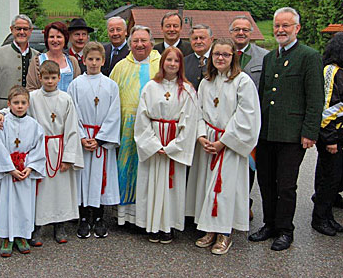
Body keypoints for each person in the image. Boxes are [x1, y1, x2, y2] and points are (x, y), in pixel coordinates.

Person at [249, 7, 324, 251]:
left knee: (286, 185)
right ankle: (269, 224)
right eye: (277, 26)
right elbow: (262, 97)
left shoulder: (309, 56)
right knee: (266, 181)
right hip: (267, 132)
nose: (281, 30)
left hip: (292, 135)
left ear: (297, 28)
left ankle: (285, 230)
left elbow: (315, 98)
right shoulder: (270, 58)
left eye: (286, 26)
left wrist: (310, 132)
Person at [0, 60, 84, 245]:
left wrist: (68, 157)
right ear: (40, 78)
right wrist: (1, 113)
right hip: (38, 148)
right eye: (46, 77)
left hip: (59, 147)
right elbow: (17, 107)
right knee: (40, 191)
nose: (49, 81)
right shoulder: (33, 97)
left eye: (53, 78)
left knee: (61, 190)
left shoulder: (66, 98)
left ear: (59, 78)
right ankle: (38, 226)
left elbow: (72, 128)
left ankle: (60, 225)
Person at [186, 38, 260, 255]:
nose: (220, 58)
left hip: (228, 143)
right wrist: (201, 136)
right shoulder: (207, 81)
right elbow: (197, 111)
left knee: (225, 189)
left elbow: (247, 116)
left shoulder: (242, 81)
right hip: (208, 142)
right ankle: (209, 229)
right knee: (206, 186)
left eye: (225, 54)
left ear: (233, 57)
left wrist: (223, 142)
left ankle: (224, 234)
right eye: (217, 54)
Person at [134, 47, 199, 244]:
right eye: (168, 60)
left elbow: (191, 122)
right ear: (162, 62)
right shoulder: (151, 87)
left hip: (174, 143)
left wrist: (172, 146)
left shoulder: (188, 90)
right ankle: (152, 225)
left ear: (181, 65)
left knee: (172, 186)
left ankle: (168, 226)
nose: (172, 64)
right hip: (154, 143)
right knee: (151, 184)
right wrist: (154, 144)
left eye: (176, 61)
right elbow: (142, 117)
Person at [0, 85, 46, 257]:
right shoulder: (2, 123)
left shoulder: (34, 125)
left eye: (23, 103)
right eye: (16, 102)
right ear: (9, 104)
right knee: (7, 204)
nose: (19, 106)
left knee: (24, 205)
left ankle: (21, 236)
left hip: (25, 171)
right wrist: (10, 169)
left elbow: (38, 147)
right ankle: (6, 237)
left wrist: (30, 167)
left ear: (28, 104)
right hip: (8, 173)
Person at [67, 42, 121, 239]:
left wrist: (99, 139)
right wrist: (81, 136)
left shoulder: (110, 85)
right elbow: (72, 113)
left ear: (103, 61)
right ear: (83, 59)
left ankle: (98, 217)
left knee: (99, 179)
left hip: (101, 141)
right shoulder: (75, 85)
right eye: (90, 59)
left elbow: (115, 114)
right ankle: (83, 217)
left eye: (98, 59)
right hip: (83, 139)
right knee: (83, 179)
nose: (94, 63)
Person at [109, 25, 161, 226]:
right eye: (135, 41)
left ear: (151, 43)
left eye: (143, 41)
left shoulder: (161, 64)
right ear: (129, 44)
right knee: (126, 170)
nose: (139, 45)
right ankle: (125, 217)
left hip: (153, 129)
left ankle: (148, 217)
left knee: (148, 171)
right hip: (126, 129)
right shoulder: (121, 66)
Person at [229, 15, 269, 221]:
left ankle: (246, 202)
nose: (241, 33)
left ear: (251, 32)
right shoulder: (222, 53)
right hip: (225, 122)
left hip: (251, 122)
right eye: (237, 29)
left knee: (248, 165)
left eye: (245, 29)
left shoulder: (264, 57)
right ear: (230, 32)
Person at [311, 32, 343, 236]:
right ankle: (320, 218)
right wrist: (330, 139)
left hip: (338, 135)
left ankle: (327, 211)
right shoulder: (331, 71)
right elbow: (328, 107)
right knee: (330, 177)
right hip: (332, 136)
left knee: (333, 175)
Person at [0, 14, 40, 125]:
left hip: (30, 113)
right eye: (18, 29)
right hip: (4, 114)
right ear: (12, 30)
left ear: (30, 31)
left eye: (25, 29)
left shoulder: (37, 56)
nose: (21, 32)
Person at [26, 21, 81, 92]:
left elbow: (78, 89)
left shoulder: (72, 61)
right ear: (46, 39)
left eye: (59, 37)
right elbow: (31, 89)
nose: (55, 40)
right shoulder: (37, 61)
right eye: (51, 37)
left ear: (65, 39)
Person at [184, 24, 213, 90]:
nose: (198, 42)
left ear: (211, 39)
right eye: (195, 38)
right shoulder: (183, 62)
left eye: (202, 38)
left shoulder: (218, 60)